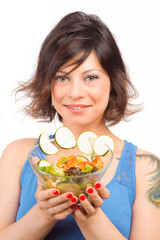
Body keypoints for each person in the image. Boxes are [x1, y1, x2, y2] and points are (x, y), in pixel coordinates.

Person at [0, 11, 159, 240]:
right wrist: (44, 214)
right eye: (62, 77)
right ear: (48, 84)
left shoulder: (146, 168)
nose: (75, 93)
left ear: (113, 82)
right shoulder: (18, 155)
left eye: (90, 77)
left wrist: (91, 218)